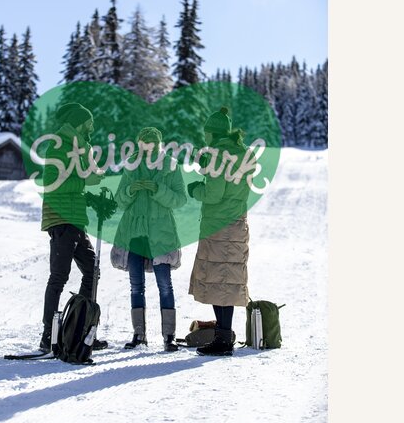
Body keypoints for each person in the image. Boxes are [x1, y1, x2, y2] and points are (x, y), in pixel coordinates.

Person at [37, 102, 108, 352]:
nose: (91, 129)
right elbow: (51, 184)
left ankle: (80, 328)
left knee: (92, 271)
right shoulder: (57, 147)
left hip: (77, 220)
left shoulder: (81, 148)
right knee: (59, 276)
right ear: (78, 124)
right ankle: (50, 335)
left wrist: (90, 190)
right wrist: (82, 181)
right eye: (88, 124)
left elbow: (84, 176)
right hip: (60, 219)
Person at [109, 127, 187, 352]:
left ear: (159, 144)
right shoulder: (131, 165)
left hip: (161, 236)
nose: (148, 146)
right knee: (136, 287)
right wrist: (131, 189)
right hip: (135, 235)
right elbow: (119, 201)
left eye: (152, 142)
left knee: (165, 286)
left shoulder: (170, 165)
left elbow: (180, 200)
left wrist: (158, 189)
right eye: (144, 142)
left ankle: (169, 337)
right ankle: (139, 335)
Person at [187, 107, 251, 356]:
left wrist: (195, 190)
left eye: (206, 134)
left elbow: (214, 193)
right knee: (227, 281)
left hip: (219, 226)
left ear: (212, 133)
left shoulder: (217, 155)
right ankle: (224, 334)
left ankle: (223, 340)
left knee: (219, 282)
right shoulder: (240, 153)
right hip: (237, 224)